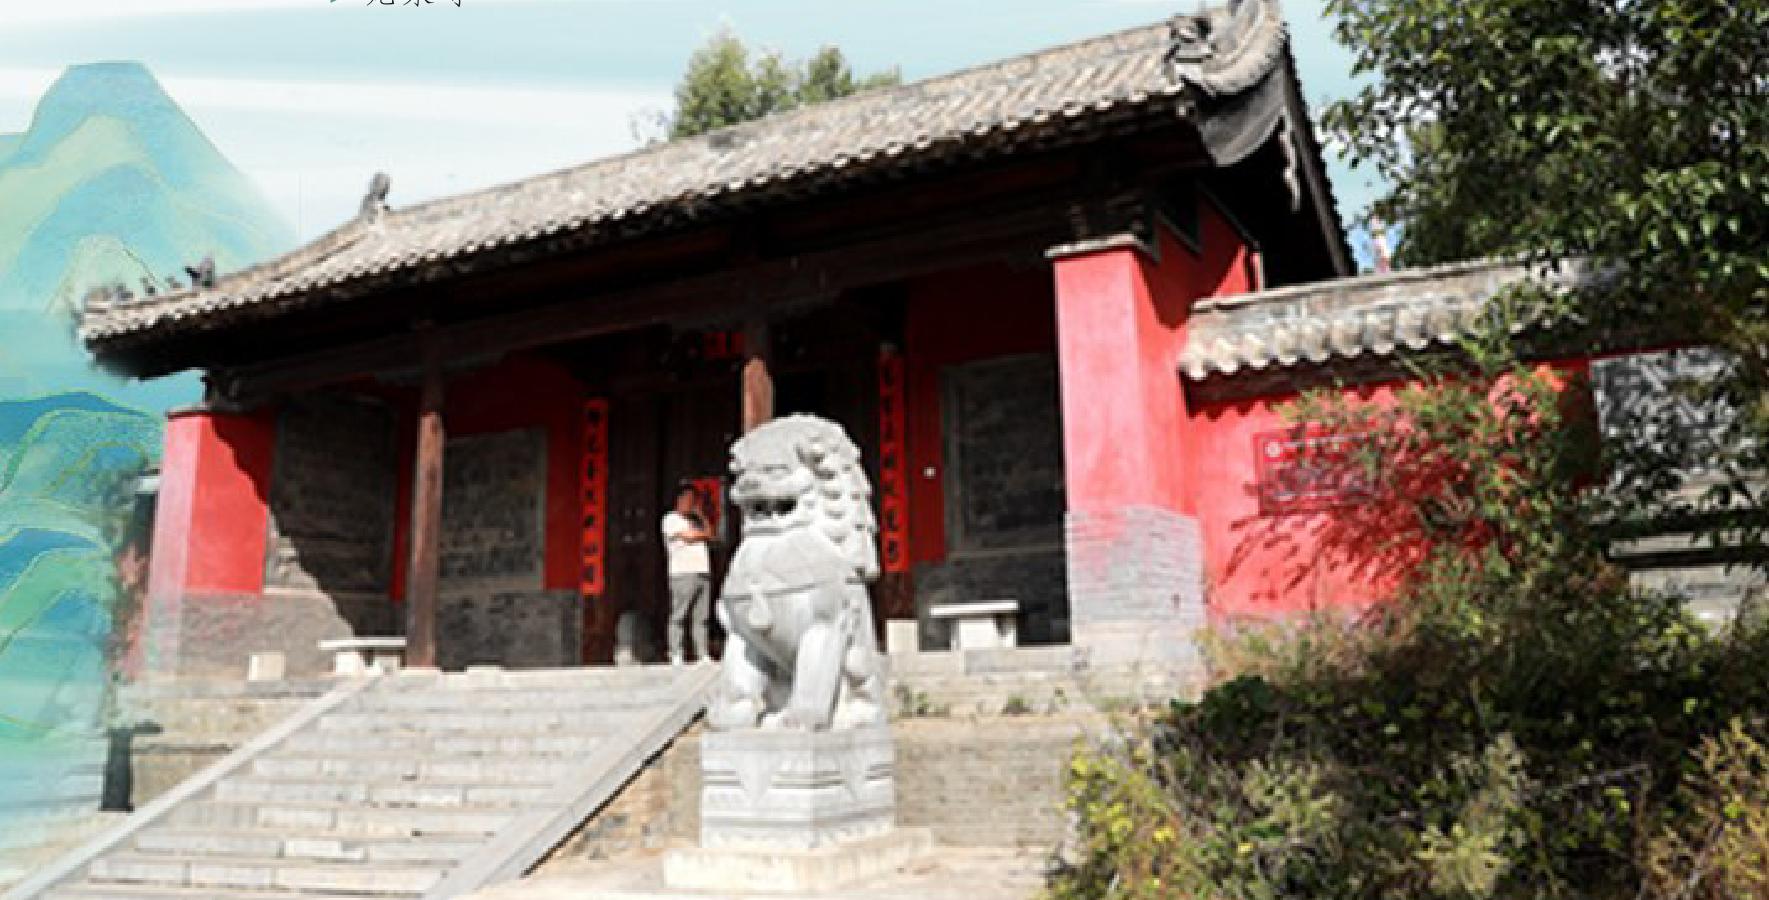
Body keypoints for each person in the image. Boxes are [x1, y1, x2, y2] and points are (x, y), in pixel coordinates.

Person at [660, 483, 713, 666]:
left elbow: (709, 533)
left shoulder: (695, 520)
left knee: (701, 616)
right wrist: (702, 534)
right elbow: (689, 537)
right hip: (683, 573)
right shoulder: (671, 519)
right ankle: (676, 652)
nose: (691, 503)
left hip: (702, 571)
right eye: (688, 499)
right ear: (679, 500)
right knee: (679, 614)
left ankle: (702, 653)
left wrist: (701, 516)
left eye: (693, 500)